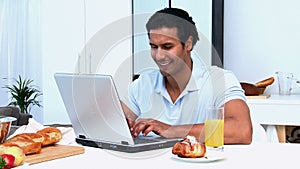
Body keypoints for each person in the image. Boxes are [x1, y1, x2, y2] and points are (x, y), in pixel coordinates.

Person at [121, 8, 252, 144]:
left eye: (167, 46)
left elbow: (241, 131)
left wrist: (171, 130)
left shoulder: (219, 80)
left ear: (188, 44)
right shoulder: (143, 83)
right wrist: (122, 125)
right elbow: (114, 124)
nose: (159, 56)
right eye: (154, 47)